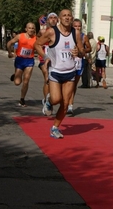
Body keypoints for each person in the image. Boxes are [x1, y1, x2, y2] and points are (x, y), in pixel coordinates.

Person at [34, 9, 85, 139]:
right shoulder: (52, 32)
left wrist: (78, 53)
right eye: (64, 16)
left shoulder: (76, 33)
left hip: (70, 72)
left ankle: (55, 128)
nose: (67, 18)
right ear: (59, 19)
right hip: (55, 71)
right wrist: (45, 56)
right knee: (56, 99)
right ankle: (49, 101)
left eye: (69, 15)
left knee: (65, 104)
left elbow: (82, 51)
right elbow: (37, 44)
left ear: (72, 18)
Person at [6, 22, 37, 107]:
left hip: (29, 61)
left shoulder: (36, 38)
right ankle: (16, 75)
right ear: (26, 29)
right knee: (17, 82)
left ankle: (22, 99)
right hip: (20, 60)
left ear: (34, 29)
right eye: (29, 28)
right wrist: (9, 53)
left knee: (26, 80)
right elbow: (9, 43)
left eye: (32, 28)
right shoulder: (20, 36)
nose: (31, 29)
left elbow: (40, 48)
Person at [67, 19, 91, 115]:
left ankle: (70, 105)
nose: (77, 27)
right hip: (68, 61)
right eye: (75, 26)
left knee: (73, 84)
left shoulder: (83, 36)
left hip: (78, 62)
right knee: (66, 84)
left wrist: (82, 51)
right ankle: (64, 102)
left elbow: (89, 48)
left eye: (79, 26)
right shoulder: (68, 35)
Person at [37, 12, 58, 107]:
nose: (53, 19)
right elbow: (36, 44)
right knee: (47, 77)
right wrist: (44, 55)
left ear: (57, 20)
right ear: (48, 20)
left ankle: (51, 98)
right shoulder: (43, 32)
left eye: (55, 18)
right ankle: (46, 101)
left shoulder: (60, 32)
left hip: (56, 61)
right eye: (51, 18)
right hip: (44, 60)